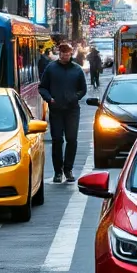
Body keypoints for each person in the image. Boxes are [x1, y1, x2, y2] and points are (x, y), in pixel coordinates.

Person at [38, 42, 87, 183]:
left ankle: (68, 169)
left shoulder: (77, 70)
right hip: (56, 110)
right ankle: (57, 172)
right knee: (57, 140)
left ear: (71, 53)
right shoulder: (51, 68)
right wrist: (50, 99)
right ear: (59, 53)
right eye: (63, 53)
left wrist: (75, 97)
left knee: (72, 139)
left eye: (68, 53)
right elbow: (42, 87)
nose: (66, 55)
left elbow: (82, 89)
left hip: (72, 110)